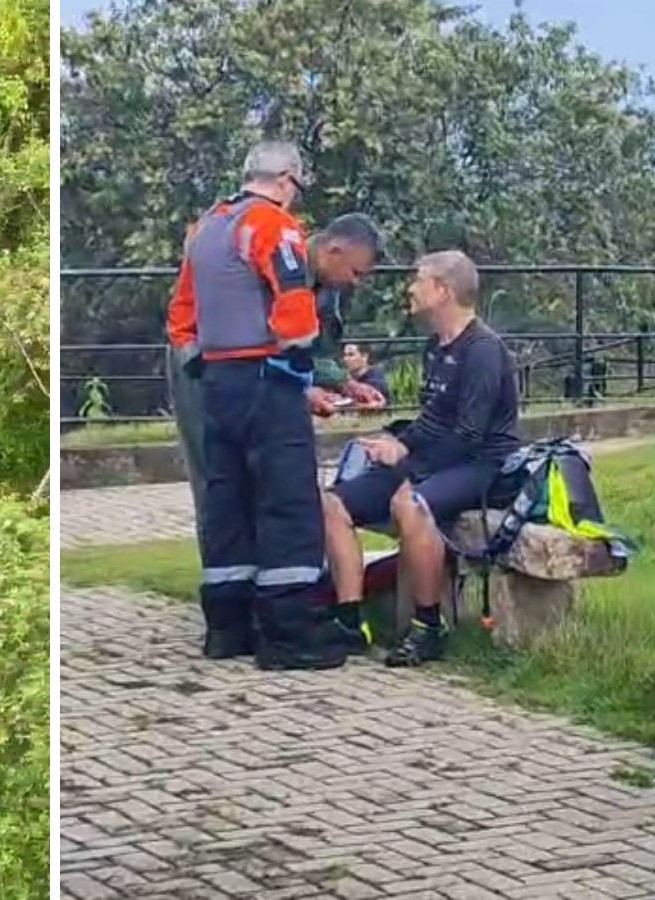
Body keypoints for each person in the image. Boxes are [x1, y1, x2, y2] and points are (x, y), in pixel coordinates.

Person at [188, 141, 386, 670]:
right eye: (297, 188)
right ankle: (289, 635)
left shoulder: (207, 228)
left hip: (218, 382)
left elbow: (181, 316)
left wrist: (205, 367)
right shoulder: (275, 227)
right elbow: (295, 307)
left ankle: (227, 626)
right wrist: (298, 374)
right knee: (289, 503)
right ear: (285, 180)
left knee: (227, 500)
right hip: (266, 383)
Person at [322, 250, 522, 665]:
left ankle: (428, 627)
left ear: (443, 290)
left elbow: (470, 434)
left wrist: (408, 455)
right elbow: (432, 418)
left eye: (418, 279)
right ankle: (348, 621)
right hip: (433, 459)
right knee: (331, 503)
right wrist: (398, 443)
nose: (409, 287)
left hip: (481, 464)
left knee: (409, 504)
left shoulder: (484, 350)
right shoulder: (435, 345)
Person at [166, 210, 387, 564]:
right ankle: (229, 580)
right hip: (210, 367)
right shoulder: (283, 262)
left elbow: (314, 346)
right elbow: (260, 341)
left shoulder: (326, 289)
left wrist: (345, 384)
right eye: (355, 272)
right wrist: (300, 390)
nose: (355, 282)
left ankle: (268, 577)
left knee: (268, 478)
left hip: (264, 374)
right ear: (334, 250)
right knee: (219, 480)